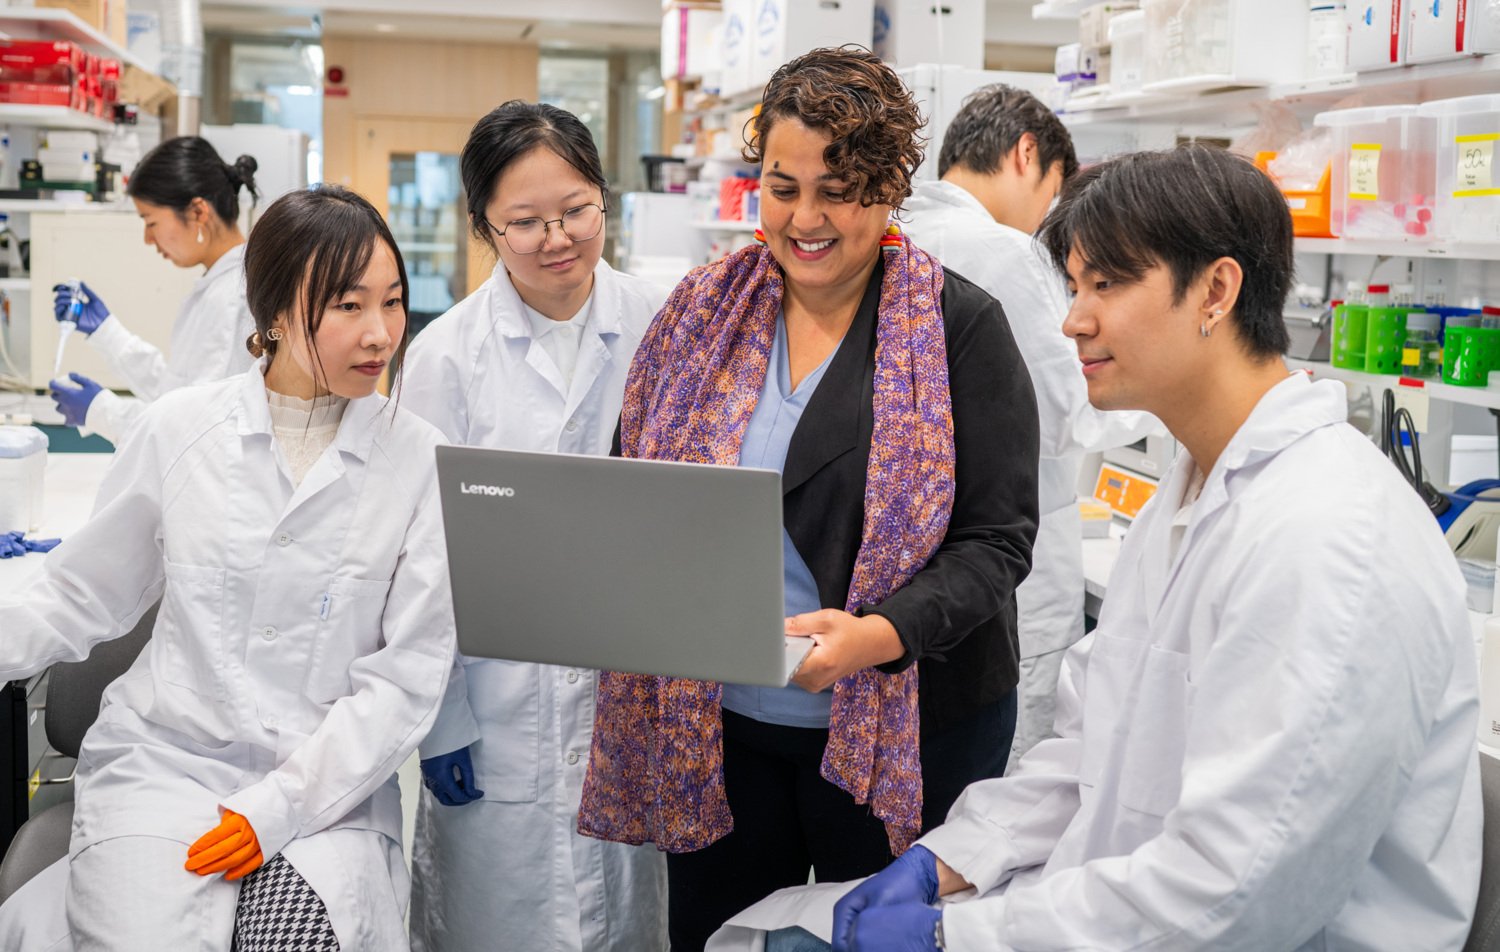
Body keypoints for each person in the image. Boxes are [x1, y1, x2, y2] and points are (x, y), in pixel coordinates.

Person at [825, 145, 1482, 951]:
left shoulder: (1325, 537)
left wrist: (958, 938)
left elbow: (1233, 891)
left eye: (1107, 283)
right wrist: (948, 858)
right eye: (1073, 285)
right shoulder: (1195, 488)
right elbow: (1092, 742)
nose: (1074, 317)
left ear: (1216, 290)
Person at [577, 47, 1040, 951]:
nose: (807, 218)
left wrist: (881, 634)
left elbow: (997, 541)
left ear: (890, 188)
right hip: (723, 730)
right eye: (783, 187)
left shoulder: (958, 328)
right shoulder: (701, 315)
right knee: (722, 936)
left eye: (840, 188)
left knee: (878, 936)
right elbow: (633, 487)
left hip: (907, 727)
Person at [0, 184, 460, 951]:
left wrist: (277, 808)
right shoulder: (182, 430)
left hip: (325, 793)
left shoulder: (419, 460)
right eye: (348, 306)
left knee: (297, 940)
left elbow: (404, 678)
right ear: (274, 313)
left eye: (394, 301)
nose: (381, 332)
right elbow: (77, 591)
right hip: (165, 767)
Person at [400, 101, 668, 952]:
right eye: (525, 223)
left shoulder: (668, 325)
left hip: (638, 697)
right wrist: (441, 718)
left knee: (629, 919)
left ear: (605, 199)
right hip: (497, 703)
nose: (558, 238)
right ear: (484, 225)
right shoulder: (446, 356)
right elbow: (419, 555)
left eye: (576, 210)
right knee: (495, 920)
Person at [901, 84, 1160, 763]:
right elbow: (1065, 413)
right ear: (1026, 154)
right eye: (1055, 191)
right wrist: (1161, 391)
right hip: (1009, 571)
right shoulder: (1006, 254)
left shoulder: (899, 229)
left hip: (913, 577)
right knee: (1005, 795)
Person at [47, 136, 258, 445]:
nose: (148, 238)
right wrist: (107, 332)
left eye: (150, 221)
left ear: (198, 212)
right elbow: (179, 391)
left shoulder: (232, 297)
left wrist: (102, 410)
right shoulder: (221, 284)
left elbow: (196, 430)